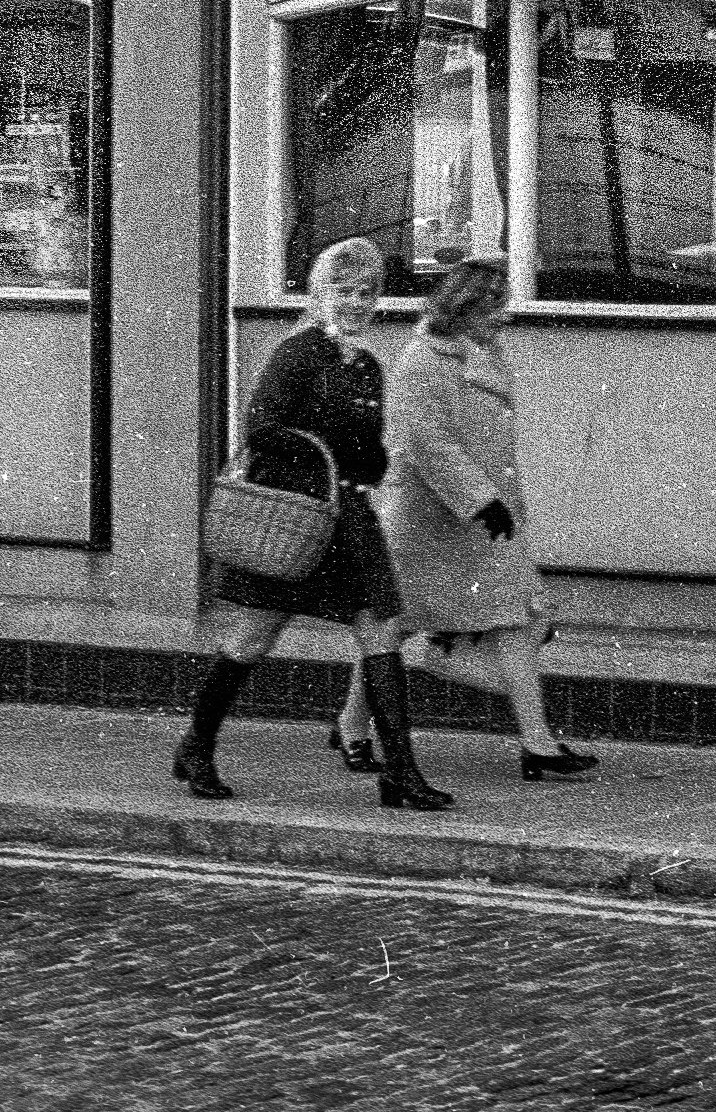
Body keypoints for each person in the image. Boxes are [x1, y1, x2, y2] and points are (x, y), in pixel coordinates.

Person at [170, 237, 455, 812]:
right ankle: (196, 744)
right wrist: (330, 453)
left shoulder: (368, 362)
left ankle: (400, 775)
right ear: (319, 294)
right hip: (296, 520)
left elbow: (369, 454)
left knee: (380, 632)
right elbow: (262, 430)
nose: (356, 301)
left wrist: (376, 458)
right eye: (343, 290)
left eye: (367, 292)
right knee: (253, 638)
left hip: (348, 516)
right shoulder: (296, 353)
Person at [370, 256, 596, 780]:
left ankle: (537, 742)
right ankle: (358, 723)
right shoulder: (422, 358)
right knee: (401, 625)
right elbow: (425, 439)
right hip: (432, 517)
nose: (504, 316)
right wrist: (479, 497)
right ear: (465, 305)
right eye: (494, 306)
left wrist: (488, 500)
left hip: (477, 515)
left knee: (514, 616)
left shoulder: (481, 350)